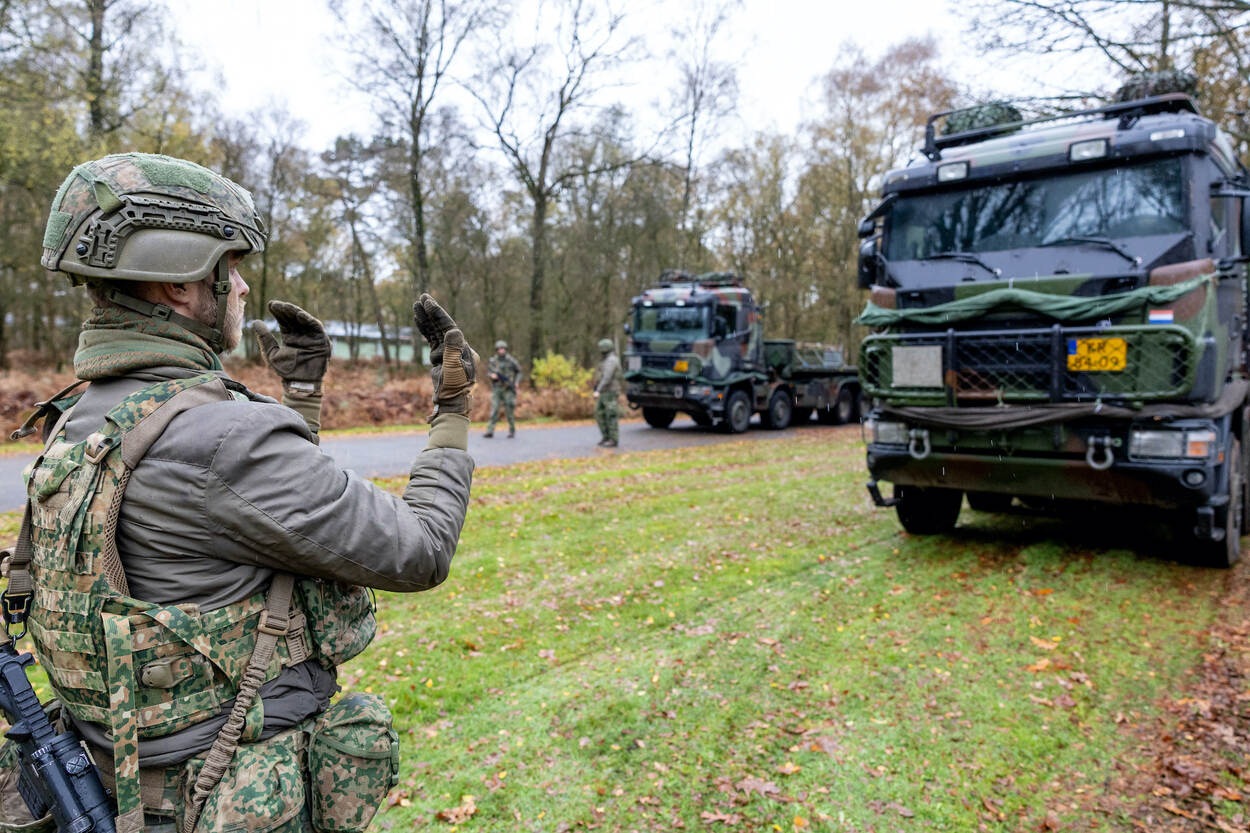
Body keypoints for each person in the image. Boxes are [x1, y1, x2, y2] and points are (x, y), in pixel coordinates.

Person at [0, 153, 477, 833]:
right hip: (223, 798)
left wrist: (301, 398)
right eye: (231, 265)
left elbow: (256, 527)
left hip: (121, 790)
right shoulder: (221, 437)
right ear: (178, 283)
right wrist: (453, 410)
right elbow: (419, 548)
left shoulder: (81, 416)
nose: (245, 286)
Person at [484, 339, 521, 438]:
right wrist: (491, 375)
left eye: (502, 348)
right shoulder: (493, 361)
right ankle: (490, 431)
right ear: (496, 350)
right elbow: (489, 372)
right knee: (494, 409)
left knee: (509, 410)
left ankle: (512, 431)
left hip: (508, 389)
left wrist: (516, 382)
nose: (501, 350)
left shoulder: (511, 360)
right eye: (499, 349)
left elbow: (519, 372)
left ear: (505, 349)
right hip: (497, 388)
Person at [593, 338, 621, 448]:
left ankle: (613, 439)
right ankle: (606, 437)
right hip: (604, 392)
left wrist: (598, 390)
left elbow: (607, 377)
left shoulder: (611, 360)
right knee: (599, 414)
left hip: (610, 392)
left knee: (611, 415)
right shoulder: (605, 360)